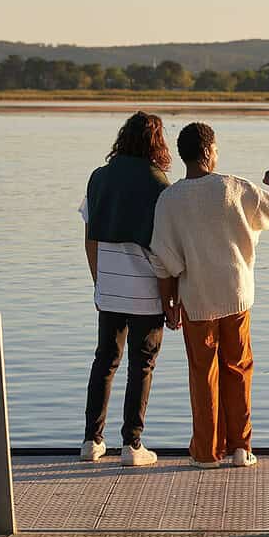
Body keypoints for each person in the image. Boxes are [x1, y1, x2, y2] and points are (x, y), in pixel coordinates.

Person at [149, 122, 269, 469]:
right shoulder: (235, 187)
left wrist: (168, 302)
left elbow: (163, 260)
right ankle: (240, 448)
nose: (217, 154)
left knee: (203, 374)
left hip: (197, 299)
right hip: (236, 294)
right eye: (215, 149)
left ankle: (206, 452)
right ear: (207, 152)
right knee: (238, 369)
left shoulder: (170, 199)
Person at [78, 111, 176, 466]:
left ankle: (91, 440)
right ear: (156, 142)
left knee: (104, 360)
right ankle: (132, 445)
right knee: (142, 364)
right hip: (146, 290)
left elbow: (90, 238)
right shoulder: (159, 185)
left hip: (109, 287)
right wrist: (172, 298)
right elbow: (165, 249)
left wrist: (99, 282)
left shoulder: (99, 178)